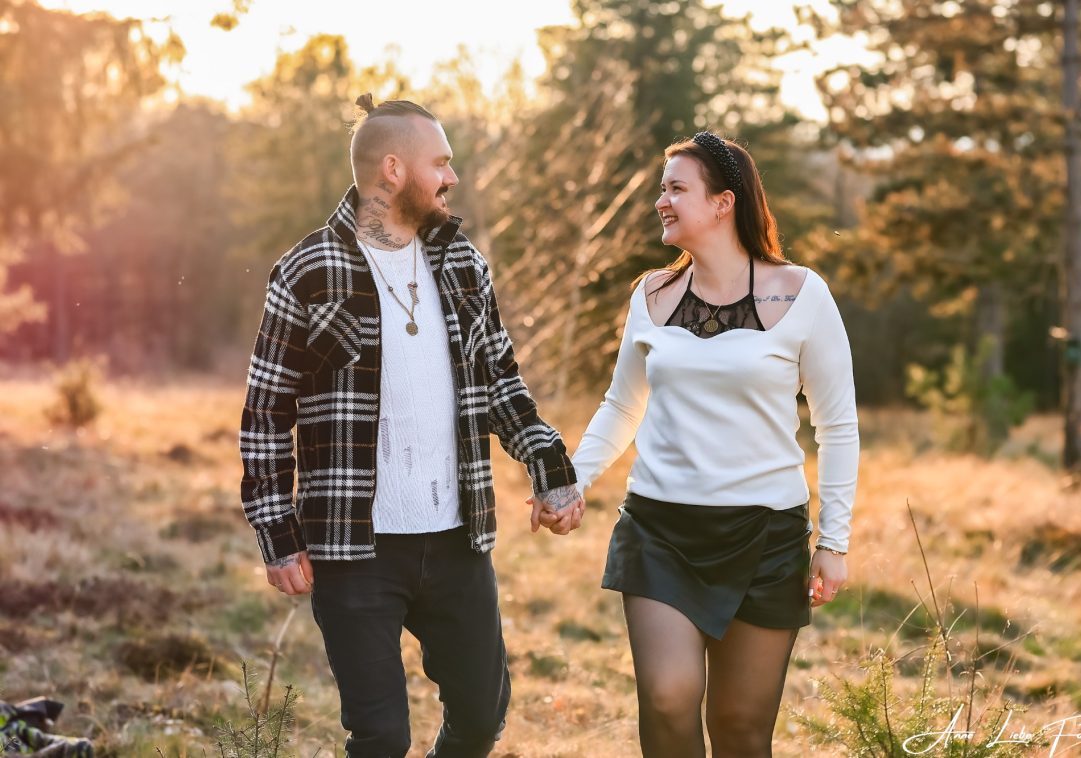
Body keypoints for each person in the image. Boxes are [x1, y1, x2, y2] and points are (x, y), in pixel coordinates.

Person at [238, 95, 585, 758]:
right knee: (380, 737)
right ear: (393, 170)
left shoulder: (464, 265)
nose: (452, 177)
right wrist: (277, 535)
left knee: (481, 718)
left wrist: (553, 475)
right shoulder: (308, 270)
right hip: (354, 549)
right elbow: (266, 412)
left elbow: (502, 384)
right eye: (441, 163)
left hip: (458, 540)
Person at [563, 132, 859, 757]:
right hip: (659, 532)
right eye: (662, 188)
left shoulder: (802, 293)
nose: (660, 201)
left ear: (724, 203)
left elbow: (836, 425)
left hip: (766, 537)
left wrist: (833, 542)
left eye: (676, 188)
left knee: (740, 728)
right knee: (668, 699)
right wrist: (572, 481)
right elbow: (622, 405)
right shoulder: (650, 295)